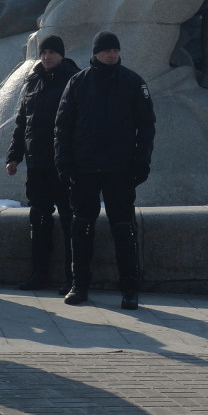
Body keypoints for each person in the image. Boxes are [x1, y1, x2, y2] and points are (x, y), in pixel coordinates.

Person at [54, 30, 155, 309]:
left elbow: (146, 128)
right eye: (107, 50)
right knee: (81, 228)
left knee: (123, 229)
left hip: (119, 170)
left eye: (116, 50)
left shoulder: (134, 83)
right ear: (96, 53)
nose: (112, 54)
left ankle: (130, 290)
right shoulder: (78, 83)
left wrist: (140, 162)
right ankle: (79, 285)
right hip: (85, 169)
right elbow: (62, 127)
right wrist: (64, 162)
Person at [6, 34, 80, 292]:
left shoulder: (74, 81)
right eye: (43, 52)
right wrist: (14, 155)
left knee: (70, 219)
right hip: (37, 164)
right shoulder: (32, 82)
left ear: (61, 54)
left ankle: (74, 278)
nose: (47, 56)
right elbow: (22, 123)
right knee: (38, 219)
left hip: (64, 165)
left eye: (52, 52)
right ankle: (39, 273)